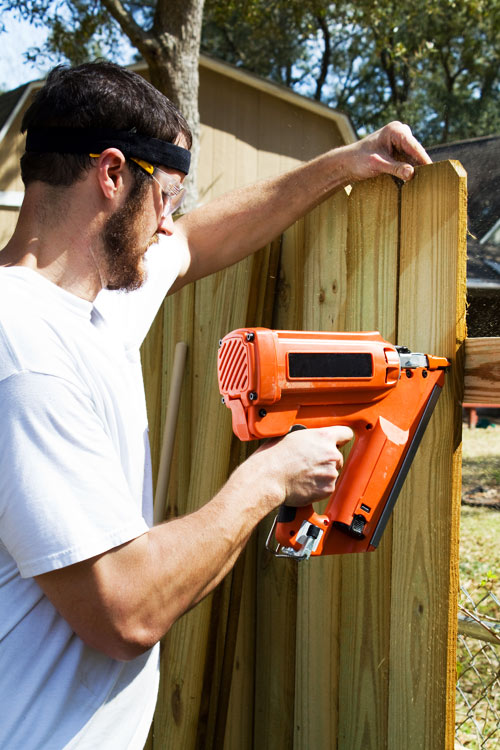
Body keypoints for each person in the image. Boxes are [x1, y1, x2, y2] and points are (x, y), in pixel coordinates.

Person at [0, 61, 431, 748]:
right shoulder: (24, 357)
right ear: (112, 175)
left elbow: (198, 240)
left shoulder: (93, 305)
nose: (167, 224)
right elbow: (126, 610)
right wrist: (269, 478)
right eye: (163, 197)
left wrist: (346, 162)